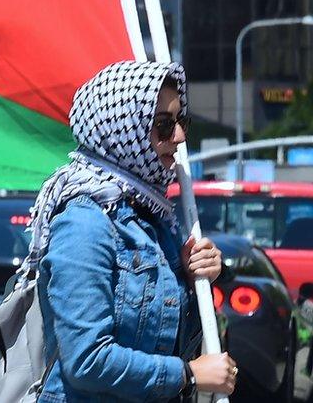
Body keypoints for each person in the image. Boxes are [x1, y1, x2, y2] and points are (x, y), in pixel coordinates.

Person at [26, 61, 236, 402]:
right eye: (164, 125)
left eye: (181, 121)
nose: (180, 137)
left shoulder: (155, 220)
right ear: (122, 131)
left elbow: (169, 336)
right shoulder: (84, 223)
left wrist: (199, 273)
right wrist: (189, 375)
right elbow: (87, 361)